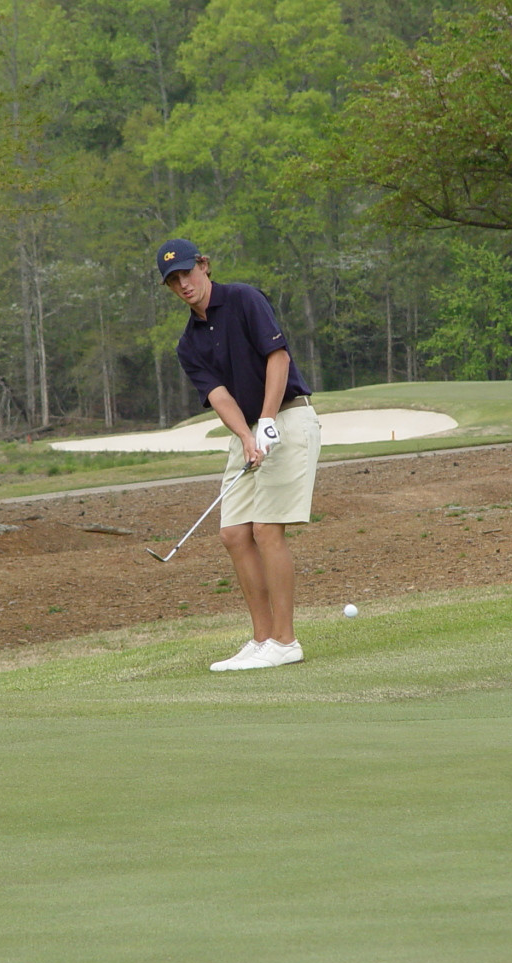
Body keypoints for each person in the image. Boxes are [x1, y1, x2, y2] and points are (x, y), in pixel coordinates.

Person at [156, 238, 322, 672]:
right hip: (246, 430)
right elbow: (218, 395)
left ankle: (286, 641)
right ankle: (262, 637)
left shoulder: (245, 298)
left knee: (267, 529)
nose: (183, 284)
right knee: (234, 533)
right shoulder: (187, 344)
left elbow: (278, 357)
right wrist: (246, 437)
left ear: (205, 266)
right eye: (173, 280)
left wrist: (266, 421)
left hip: (287, 417)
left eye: (187, 273)